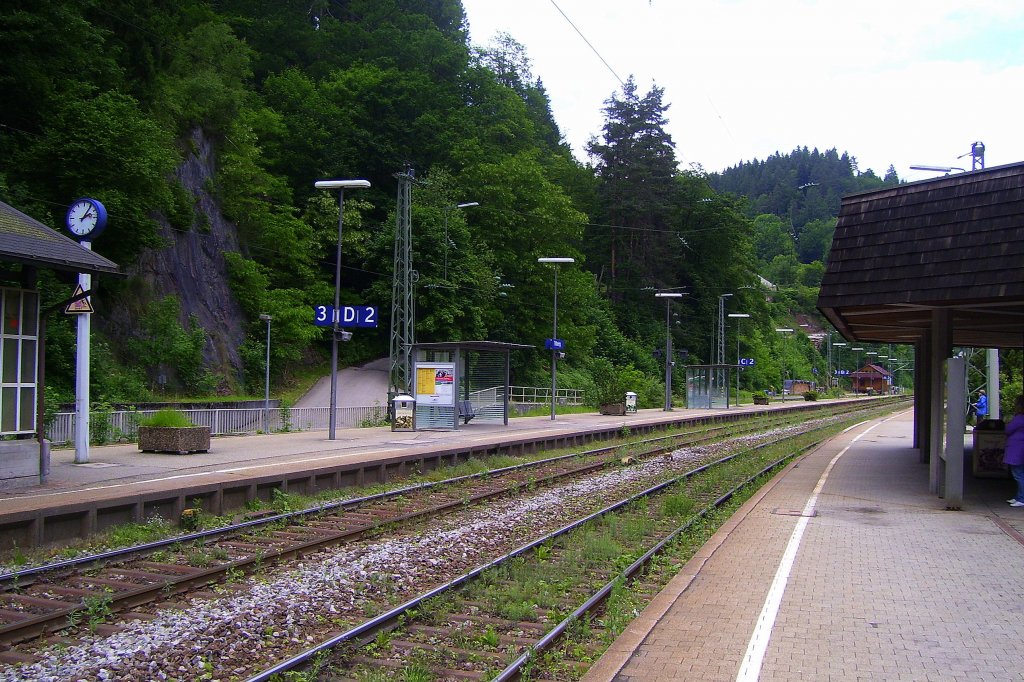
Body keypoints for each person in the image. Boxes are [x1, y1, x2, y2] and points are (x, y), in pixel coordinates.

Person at [1004, 394, 1024, 507]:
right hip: (1020, 447)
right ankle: (1018, 496)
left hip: (1017, 448)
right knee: (1020, 473)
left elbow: (1008, 429)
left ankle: (1021, 498)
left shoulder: (1019, 419)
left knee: (1018, 474)